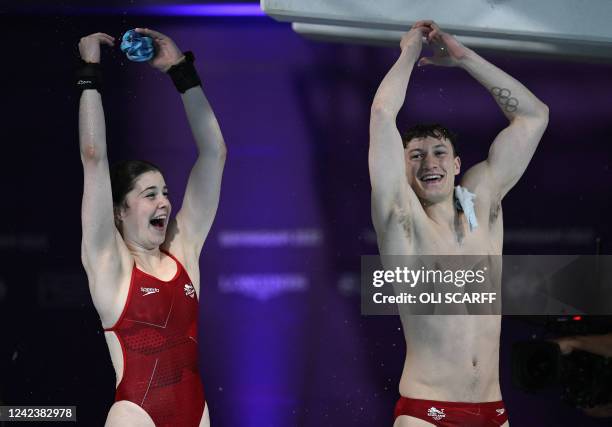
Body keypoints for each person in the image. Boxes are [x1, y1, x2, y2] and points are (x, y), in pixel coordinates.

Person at [368, 20, 548, 426]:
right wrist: (409, 52)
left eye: (438, 152)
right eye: (415, 155)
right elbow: (382, 114)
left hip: (494, 411)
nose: (429, 163)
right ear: (403, 167)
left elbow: (534, 117)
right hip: (426, 413)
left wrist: (464, 58)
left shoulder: (482, 202)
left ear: (457, 164)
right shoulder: (401, 220)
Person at [78, 29, 226, 426]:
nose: (163, 201)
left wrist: (180, 71)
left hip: (197, 414)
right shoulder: (110, 264)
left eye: (164, 192)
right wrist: (89, 71)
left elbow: (214, 153)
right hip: (136, 416)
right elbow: (94, 157)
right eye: (148, 195)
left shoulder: (183, 248)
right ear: (120, 212)